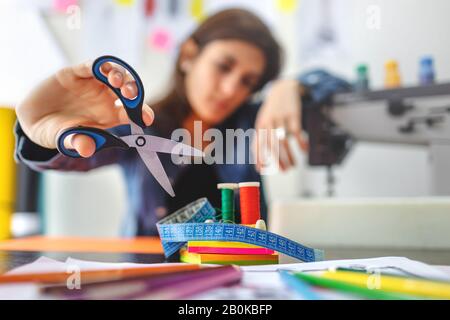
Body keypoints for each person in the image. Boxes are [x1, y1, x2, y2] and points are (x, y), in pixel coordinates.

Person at [14, 9, 348, 236]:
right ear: (189, 55)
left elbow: (344, 91)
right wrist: (39, 132)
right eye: (223, 66)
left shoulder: (251, 122)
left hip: (244, 284)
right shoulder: (141, 123)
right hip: (149, 281)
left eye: (248, 81)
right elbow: (73, 154)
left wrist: (292, 86)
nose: (231, 89)